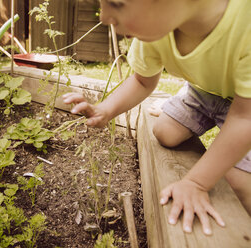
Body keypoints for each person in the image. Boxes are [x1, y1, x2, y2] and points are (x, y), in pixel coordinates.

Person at [63, 0, 251, 236]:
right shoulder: (158, 28)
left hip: (245, 105)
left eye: (116, 4)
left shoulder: (246, 23)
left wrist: (196, 182)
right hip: (204, 91)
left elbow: (244, 119)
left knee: (237, 183)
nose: (103, 17)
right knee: (165, 132)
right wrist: (106, 109)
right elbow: (143, 80)